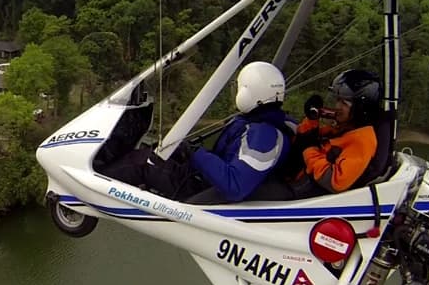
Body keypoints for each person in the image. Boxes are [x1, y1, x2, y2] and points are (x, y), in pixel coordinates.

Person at [99, 61, 295, 203]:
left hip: (201, 189)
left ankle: (95, 185)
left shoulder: (264, 135)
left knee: (143, 163)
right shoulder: (262, 122)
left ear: (249, 92)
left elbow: (234, 185)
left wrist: (196, 153)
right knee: (157, 150)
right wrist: (190, 151)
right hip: (204, 179)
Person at [288, 69, 382, 197]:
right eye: (338, 100)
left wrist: (309, 150)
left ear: (361, 108)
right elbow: (304, 137)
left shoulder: (362, 140)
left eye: (344, 103)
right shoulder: (345, 128)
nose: (337, 106)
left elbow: (335, 182)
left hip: (306, 193)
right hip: (298, 180)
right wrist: (312, 120)